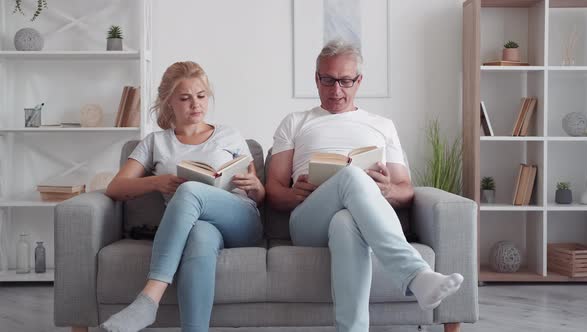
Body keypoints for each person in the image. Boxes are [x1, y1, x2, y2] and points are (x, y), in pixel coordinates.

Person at [265, 40, 464, 332]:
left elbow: (406, 190)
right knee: (352, 176)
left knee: (346, 221)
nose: (336, 90)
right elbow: (272, 191)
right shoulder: (295, 122)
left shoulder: (382, 125)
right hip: (307, 220)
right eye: (328, 80)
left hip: (356, 222)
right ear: (316, 79)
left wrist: (387, 190)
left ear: (359, 81)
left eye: (345, 81)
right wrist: (295, 194)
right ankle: (415, 274)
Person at [100, 61, 264, 332]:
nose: (195, 105)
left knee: (190, 190)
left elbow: (259, 196)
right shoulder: (155, 142)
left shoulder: (229, 134)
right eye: (185, 98)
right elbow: (115, 188)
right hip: (198, 227)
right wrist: (157, 182)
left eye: (201, 96)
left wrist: (256, 185)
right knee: (199, 235)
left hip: (241, 219)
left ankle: (149, 300)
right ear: (168, 103)